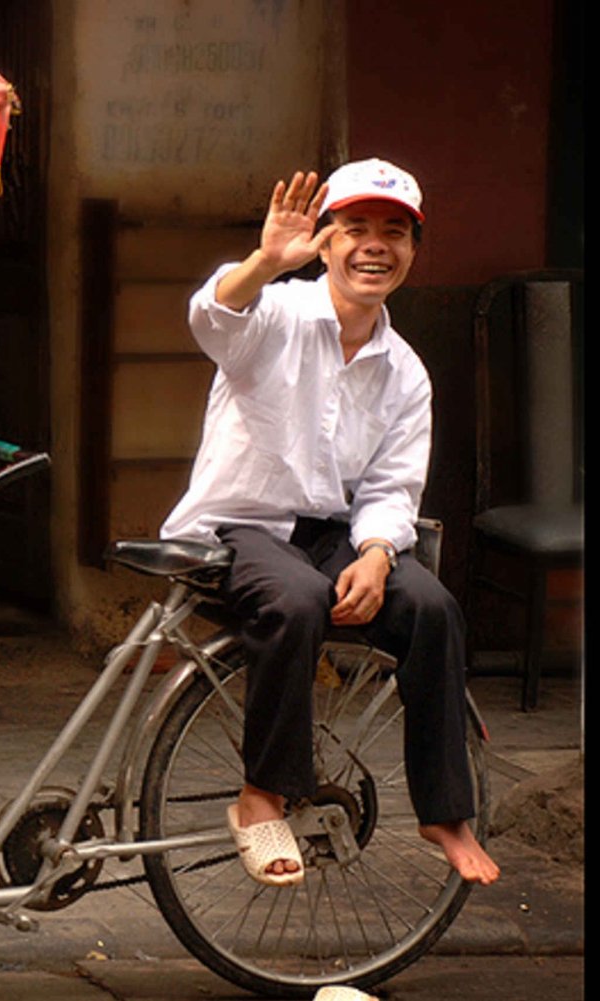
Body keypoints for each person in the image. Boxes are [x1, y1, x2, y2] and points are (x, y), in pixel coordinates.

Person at [159, 158, 500, 886]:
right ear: (327, 240)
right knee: (299, 598)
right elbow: (209, 316)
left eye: (394, 233)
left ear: (411, 250)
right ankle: (262, 797)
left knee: (434, 607)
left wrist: (378, 552)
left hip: (330, 534)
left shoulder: (405, 370)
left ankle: (444, 808)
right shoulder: (276, 313)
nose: (375, 246)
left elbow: (391, 484)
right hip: (238, 524)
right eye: (355, 229)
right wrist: (261, 262)